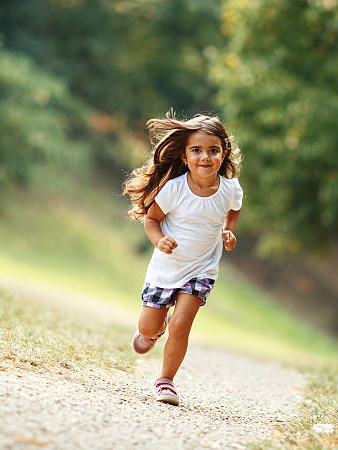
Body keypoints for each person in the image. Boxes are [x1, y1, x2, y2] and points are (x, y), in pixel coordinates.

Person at [123, 111, 243, 406]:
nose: (206, 157)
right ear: (185, 157)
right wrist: (159, 240)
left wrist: (228, 231)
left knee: (182, 323)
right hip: (167, 268)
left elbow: (234, 209)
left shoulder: (230, 188)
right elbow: (152, 220)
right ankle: (155, 329)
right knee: (148, 329)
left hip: (202, 269)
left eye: (213, 150)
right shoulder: (174, 189)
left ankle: (166, 381)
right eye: (197, 150)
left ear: (223, 153)